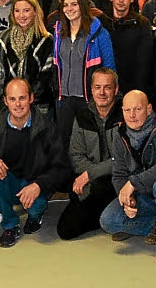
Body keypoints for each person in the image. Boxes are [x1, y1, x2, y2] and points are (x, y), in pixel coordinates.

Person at [0, 78, 70, 247]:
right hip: (9, 184)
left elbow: (62, 168)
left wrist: (38, 185)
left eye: (22, 98)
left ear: (31, 98)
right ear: (5, 101)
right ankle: (10, 225)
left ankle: (35, 216)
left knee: (36, 207)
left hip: (35, 185)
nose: (18, 104)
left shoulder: (48, 128)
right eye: (12, 99)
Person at [99, 90, 156, 266]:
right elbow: (119, 174)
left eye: (137, 109)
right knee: (108, 221)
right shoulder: (119, 133)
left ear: (149, 109)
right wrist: (127, 200)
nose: (132, 115)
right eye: (127, 110)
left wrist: (133, 183)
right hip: (141, 195)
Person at [58, 68, 122, 240]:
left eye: (107, 87)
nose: (102, 92)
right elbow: (76, 157)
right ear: (91, 89)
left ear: (115, 90)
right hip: (93, 183)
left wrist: (90, 174)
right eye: (97, 87)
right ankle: (104, 215)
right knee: (65, 230)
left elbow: (124, 159)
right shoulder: (82, 116)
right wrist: (91, 175)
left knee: (99, 187)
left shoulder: (126, 114)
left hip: (119, 179)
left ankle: (111, 212)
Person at [53, 0, 116, 152]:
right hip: (64, 100)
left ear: (82, 5)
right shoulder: (59, 33)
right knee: (65, 146)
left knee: (89, 147)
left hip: (88, 100)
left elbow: (110, 70)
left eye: (74, 4)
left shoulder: (99, 34)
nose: (69, 9)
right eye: (65, 5)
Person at [0, 0, 55, 116]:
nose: (21, 15)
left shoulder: (46, 39)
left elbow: (46, 76)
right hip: (9, 107)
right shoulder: (5, 38)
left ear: (35, 11)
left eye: (26, 10)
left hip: (40, 107)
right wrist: (9, 100)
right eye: (17, 11)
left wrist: (27, 99)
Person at [101, 0, 154, 97]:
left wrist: (139, 91)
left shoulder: (142, 23)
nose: (121, 0)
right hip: (106, 86)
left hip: (132, 86)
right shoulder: (101, 22)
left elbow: (144, 62)